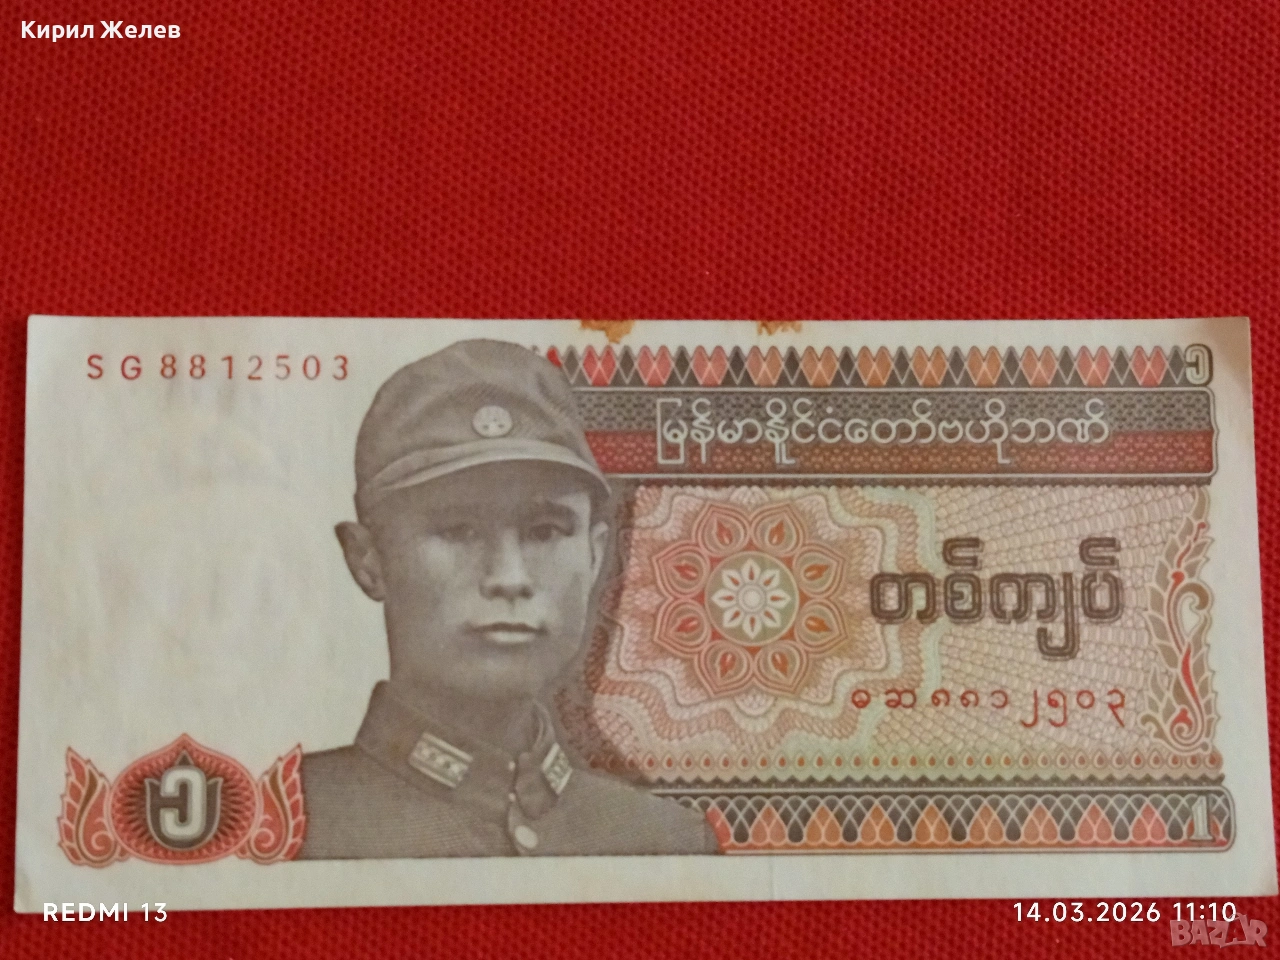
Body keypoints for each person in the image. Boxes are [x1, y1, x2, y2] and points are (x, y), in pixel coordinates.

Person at [298, 339, 720, 858]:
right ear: (368, 560)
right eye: (458, 530)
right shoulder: (279, 829)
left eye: (544, 531)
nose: (509, 578)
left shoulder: (665, 842)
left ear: (594, 555)